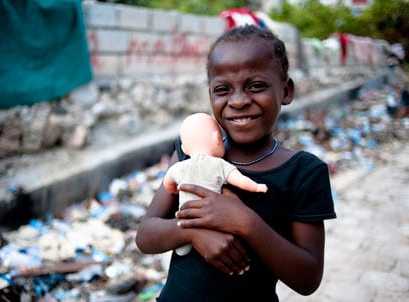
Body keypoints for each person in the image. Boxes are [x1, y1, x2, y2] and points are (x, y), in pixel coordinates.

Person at [135, 24, 336, 302]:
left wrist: (246, 223)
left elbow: (308, 278)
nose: (239, 101)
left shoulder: (303, 172)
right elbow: (145, 235)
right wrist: (193, 233)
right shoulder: (190, 154)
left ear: (286, 90)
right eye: (222, 89)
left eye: (256, 86)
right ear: (210, 95)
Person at [162, 112, 268, 256]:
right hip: (213, 218)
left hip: (186, 219)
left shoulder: (179, 167)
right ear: (218, 138)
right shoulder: (219, 165)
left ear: (184, 148)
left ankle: (183, 247)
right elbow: (239, 180)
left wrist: (173, 189)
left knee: (184, 242)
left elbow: (167, 181)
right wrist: (256, 187)